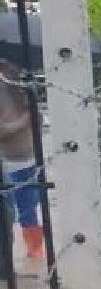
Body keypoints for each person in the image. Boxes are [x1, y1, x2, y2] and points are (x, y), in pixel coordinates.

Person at [0, 62, 40, 272]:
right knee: (8, 213)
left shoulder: (22, 87)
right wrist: (22, 123)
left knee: (30, 208)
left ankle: (35, 256)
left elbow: (38, 120)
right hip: (5, 162)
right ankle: (6, 263)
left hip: (28, 157)